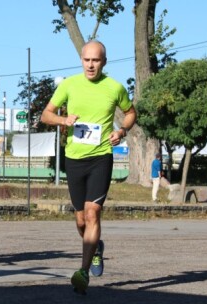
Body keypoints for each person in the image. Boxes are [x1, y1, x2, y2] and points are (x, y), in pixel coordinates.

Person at [41, 40, 137, 294]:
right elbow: (45, 114)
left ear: (104, 62)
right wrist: (64, 119)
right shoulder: (69, 85)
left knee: (93, 213)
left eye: (96, 60)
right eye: (87, 60)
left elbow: (130, 113)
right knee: (81, 219)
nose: (91, 65)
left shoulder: (114, 87)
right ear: (81, 60)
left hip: (101, 157)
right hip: (74, 159)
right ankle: (96, 248)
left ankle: (83, 271)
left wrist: (122, 130)